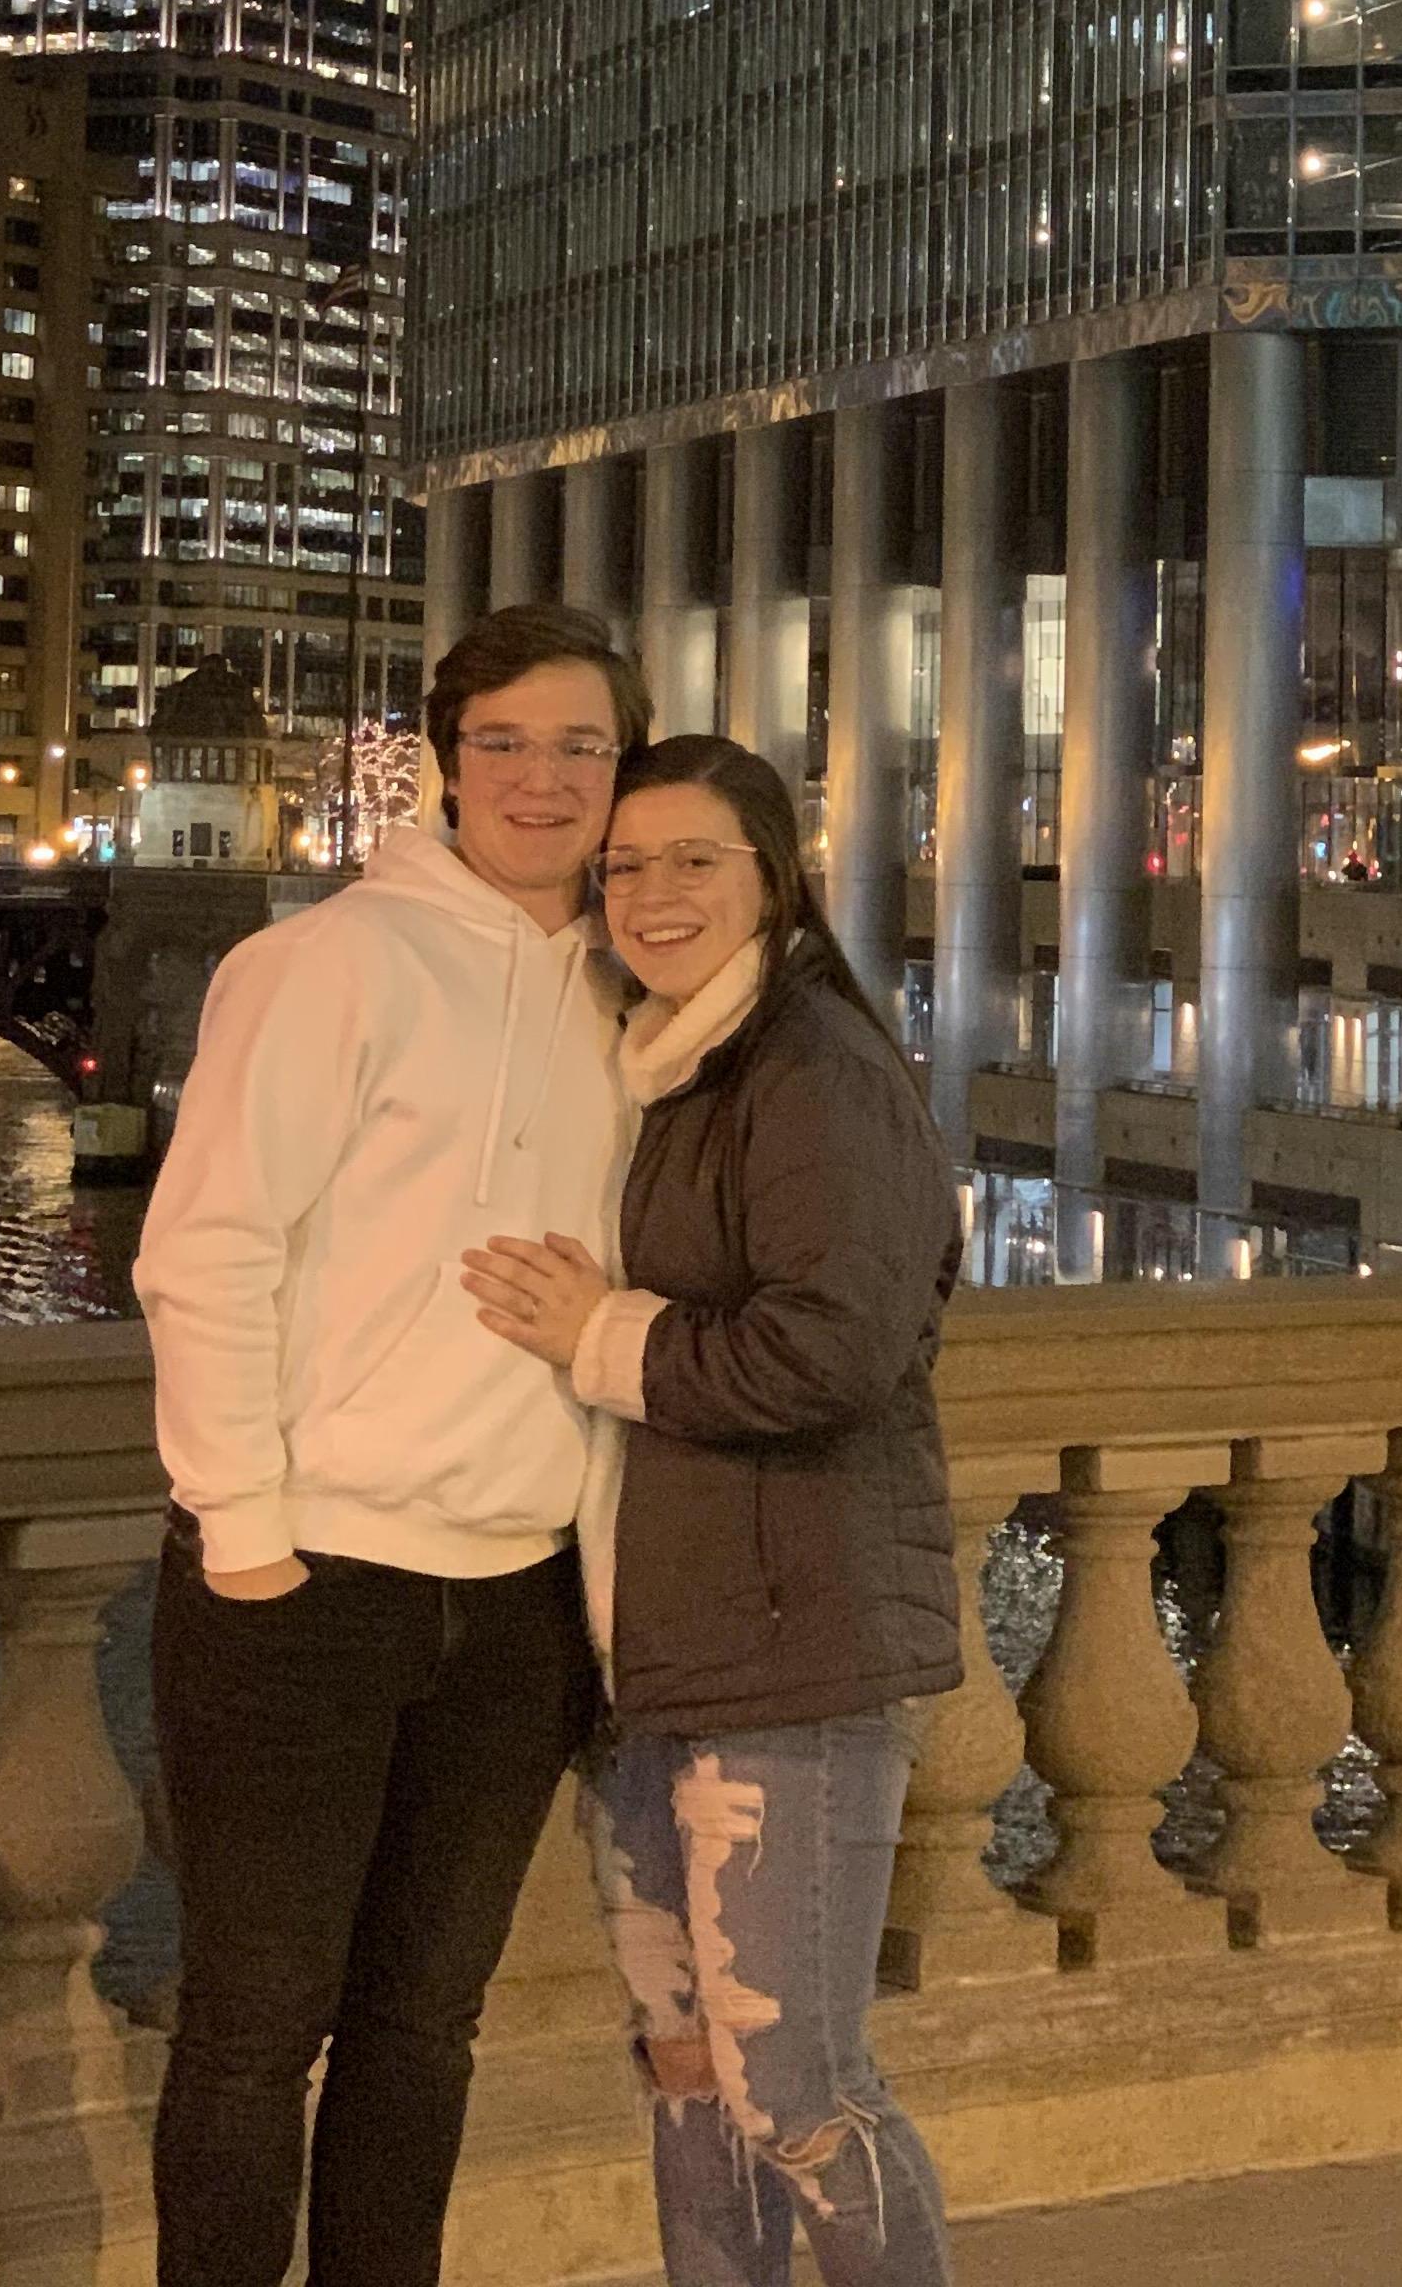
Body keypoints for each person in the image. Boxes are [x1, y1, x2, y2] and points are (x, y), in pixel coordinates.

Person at [132, 603, 648, 2287]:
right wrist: (244, 1535)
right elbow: (206, 1250)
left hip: (522, 1600)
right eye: (504, 742)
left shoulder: (637, 996)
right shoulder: (326, 964)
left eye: (581, 746)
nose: (542, 779)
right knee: (252, 2030)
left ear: (623, 770)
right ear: (445, 763)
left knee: (425, 2026)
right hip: (309, 1581)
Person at [463, 732, 965, 2287]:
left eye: (696, 860)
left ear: (773, 879)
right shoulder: (671, 1065)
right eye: (625, 865)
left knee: (795, 2091)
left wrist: (599, 1334)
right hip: (665, 1655)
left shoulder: (810, 1069)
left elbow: (838, 1349)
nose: (653, 891)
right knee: (686, 2068)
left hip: (790, 1655)